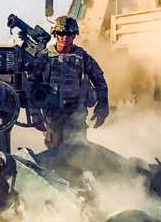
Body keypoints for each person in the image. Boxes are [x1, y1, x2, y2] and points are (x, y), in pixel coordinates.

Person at [36, 15, 109, 150]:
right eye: (61, 33)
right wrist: (35, 114)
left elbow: (100, 81)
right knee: (54, 152)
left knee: (78, 150)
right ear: (55, 35)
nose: (65, 37)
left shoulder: (82, 57)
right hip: (52, 114)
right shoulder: (44, 57)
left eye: (69, 33)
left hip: (76, 112)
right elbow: (32, 85)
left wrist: (102, 107)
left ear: (74, 35)